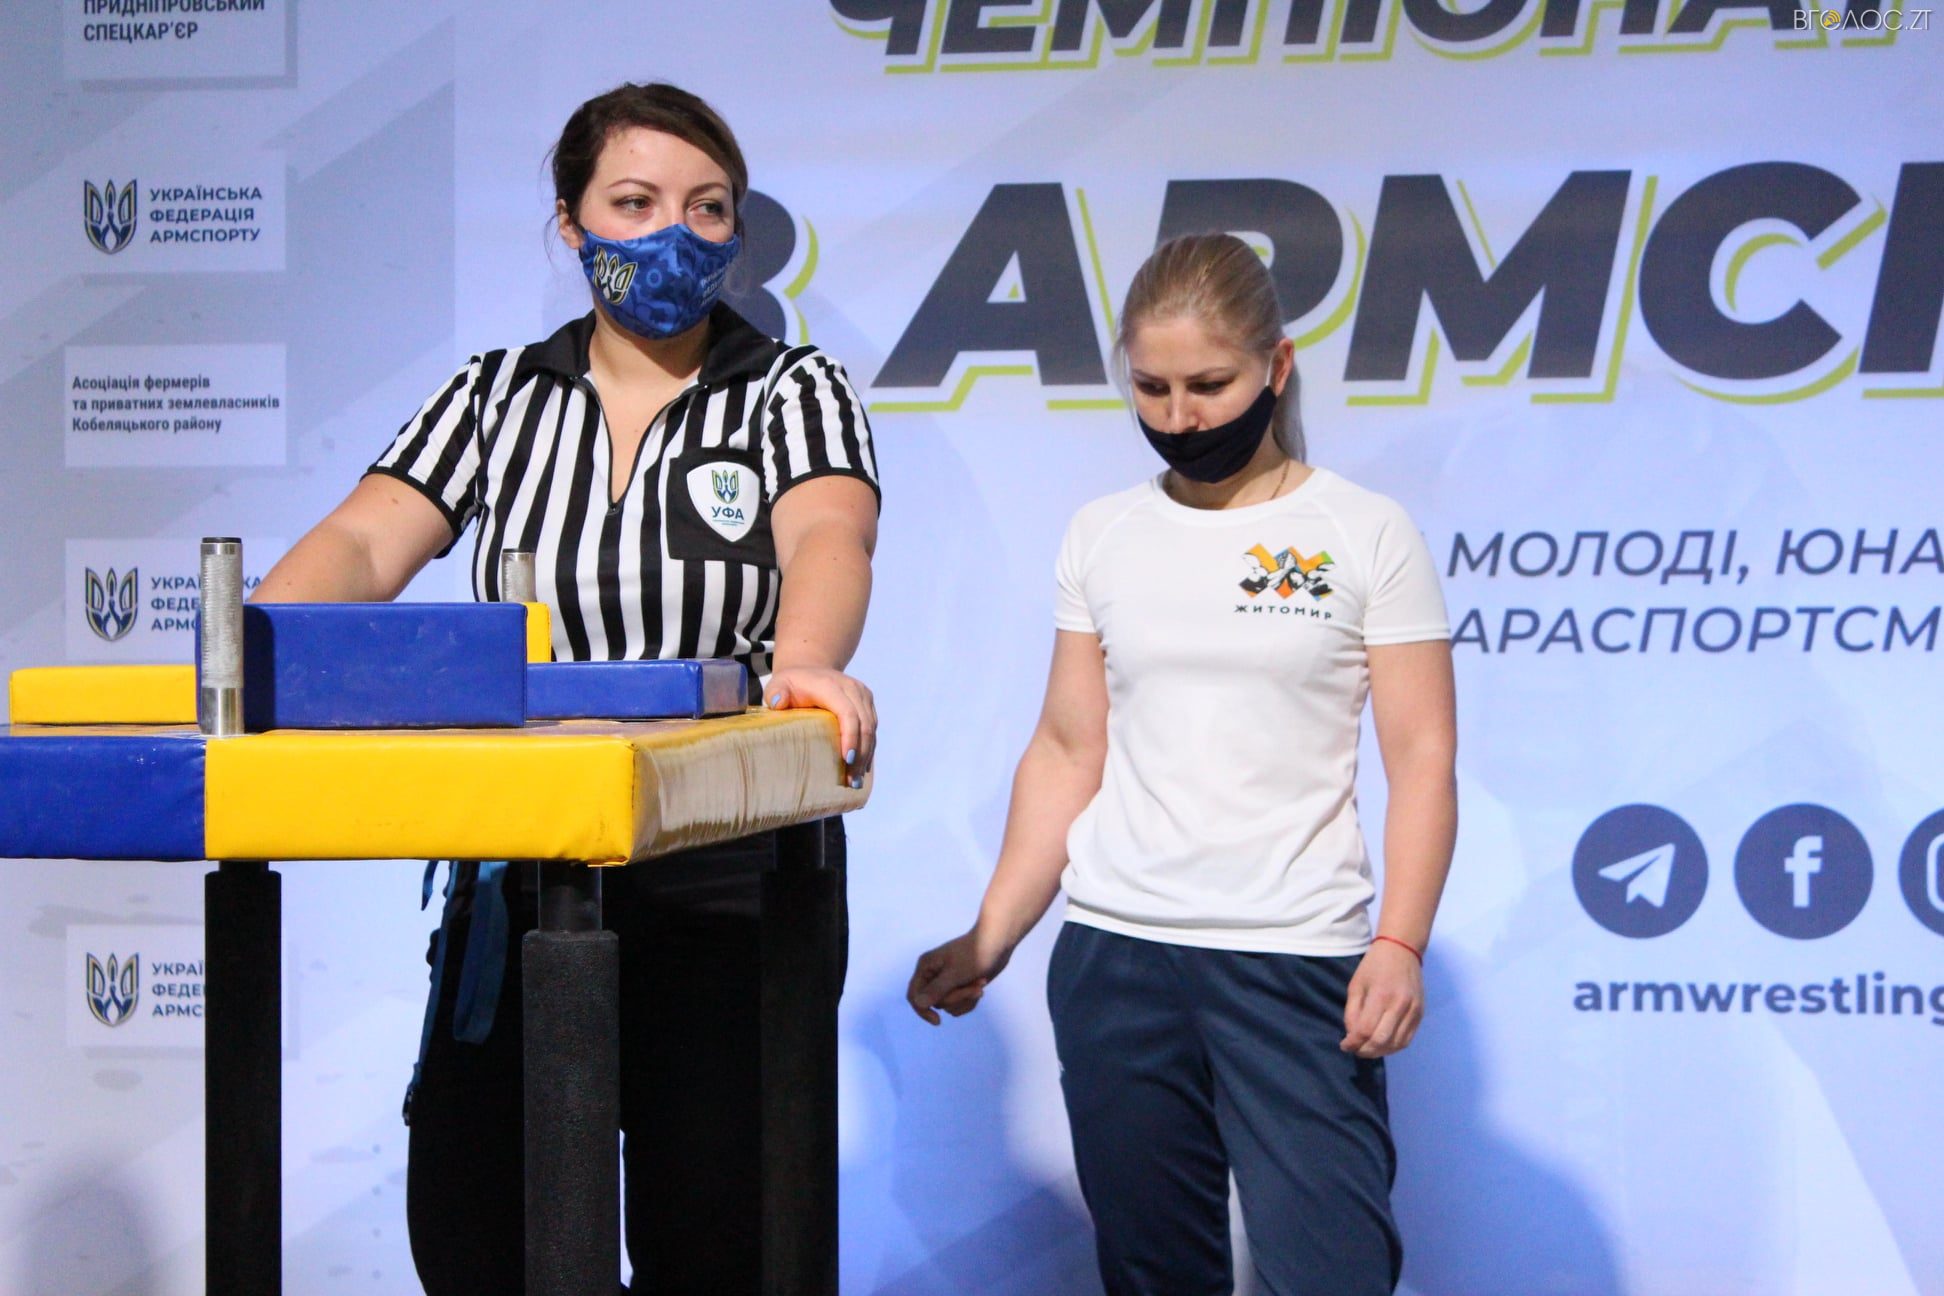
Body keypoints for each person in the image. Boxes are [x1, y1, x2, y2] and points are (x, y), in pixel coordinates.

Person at [253, 82, 880, 1294]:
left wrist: (806, 658)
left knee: (722, 1242)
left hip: (726, 872)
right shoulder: (495, 393)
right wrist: (261, 645)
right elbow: (364, 543)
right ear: (570, 224)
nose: (673, 233)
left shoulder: (794, 390)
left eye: (707, 208)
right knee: (478, 1230)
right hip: (524, 871)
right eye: (634, 202)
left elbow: (828, 537)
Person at [906, 233, 1455, 1296]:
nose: (1180, 416)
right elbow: (1068, 747)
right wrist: (993, 931)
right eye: (1151, 388)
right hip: (1117, 959)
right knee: (1154, 1277)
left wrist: (1400, 941)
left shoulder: (1365, 531)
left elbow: (1423, 755)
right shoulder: (1103, 533)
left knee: (1335, 1276)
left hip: (1297, 959)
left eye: (1209, 385)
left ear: (1276, 368)